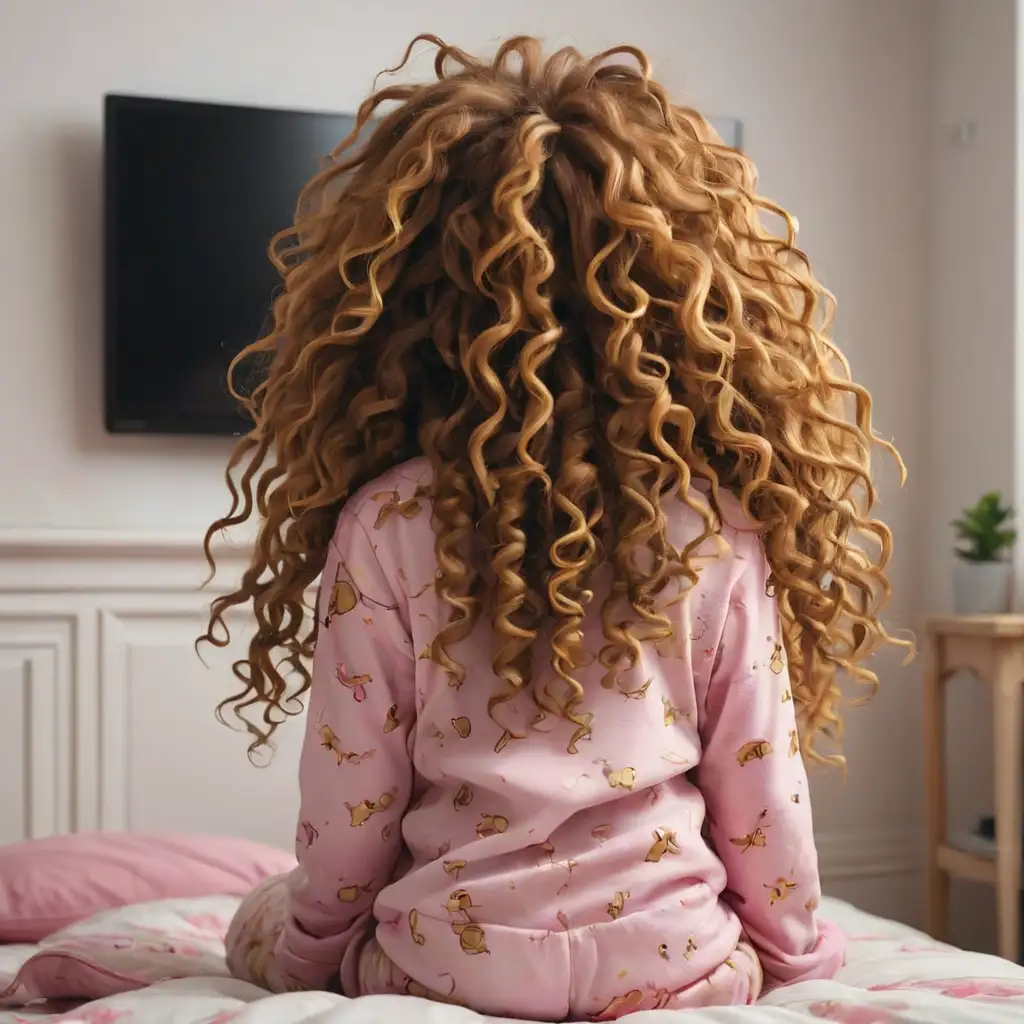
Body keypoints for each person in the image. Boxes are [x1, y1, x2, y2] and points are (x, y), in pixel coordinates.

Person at [200, 34, 907, 1020]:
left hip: (449, 963)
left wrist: (308, 943)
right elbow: (762, 793)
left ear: (404, 295)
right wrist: (794, 952)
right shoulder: (713, 524)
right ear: (681, 296)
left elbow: (350, 809)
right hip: (678, 963)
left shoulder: (386, 521)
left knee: (257, 916)